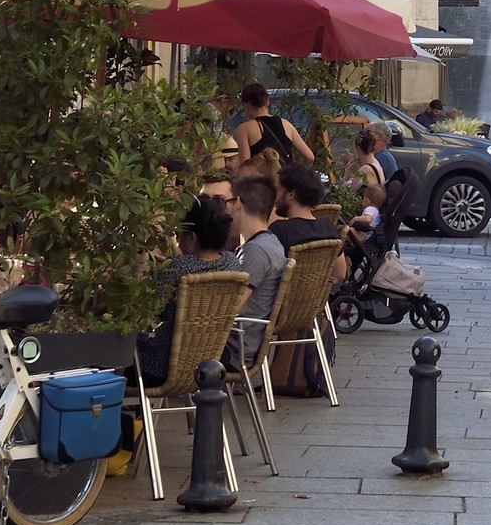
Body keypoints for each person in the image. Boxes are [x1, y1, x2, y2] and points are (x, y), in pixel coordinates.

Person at [136, 193, 243, 382]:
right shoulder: (232, 264)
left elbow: (150, 312)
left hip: (159, 366)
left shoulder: (176, 268)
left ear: (191, 237)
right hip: (210, 363)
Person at [229, 173, 287, 336]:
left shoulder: (256, 251)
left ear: (238, 203)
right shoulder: (271, 242)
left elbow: (231, 307)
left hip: (237, 343)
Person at [232, 82, 315, 167]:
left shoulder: (244, 129)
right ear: (267, 101)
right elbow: (309, 157)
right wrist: (298, 171)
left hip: (262, 175)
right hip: (286, 174)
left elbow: (245, 166)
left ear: (246, 105)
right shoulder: (286, 124)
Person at [268, 161, 343, 252]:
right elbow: (341, 262)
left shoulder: (280, 231)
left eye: (278, 190)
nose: (275, 195)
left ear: (291, 195)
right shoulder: (328, 227)